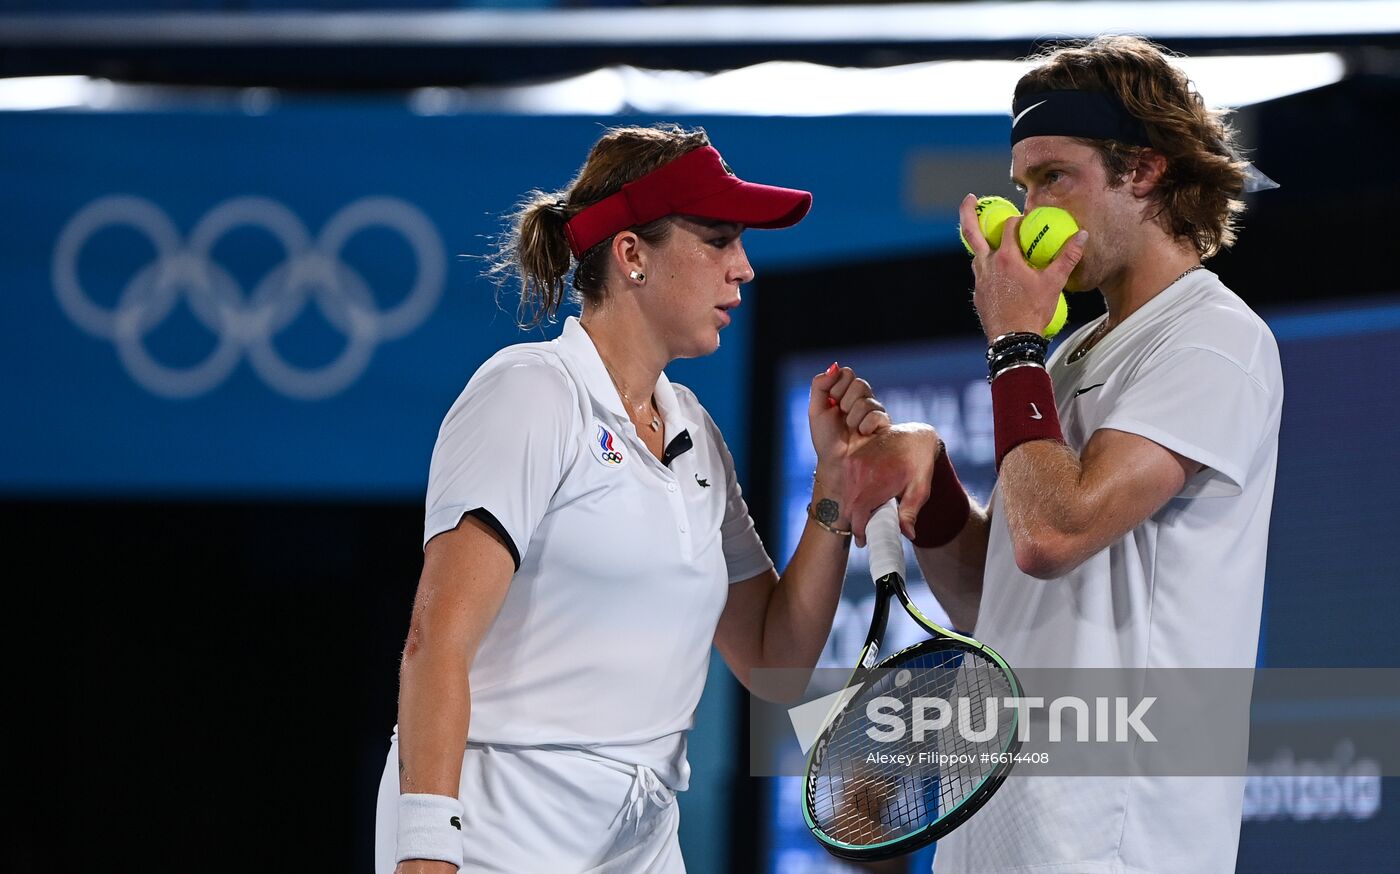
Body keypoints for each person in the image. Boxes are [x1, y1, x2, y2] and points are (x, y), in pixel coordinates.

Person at [374, 124, 889, 874]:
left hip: (639, 839)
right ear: (631, 254)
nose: (743, 268)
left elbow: (777, 661)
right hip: (498, 828)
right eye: (717, 240)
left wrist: (835, 487)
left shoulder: (697, 434)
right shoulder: (530, 394)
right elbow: (435, 643)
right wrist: (425, 856)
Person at [840, 36, 1283, 873]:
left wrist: (1012, 342)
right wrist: (930, 490)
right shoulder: (1073, 354)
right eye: (1023, 184)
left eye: (1054, 178)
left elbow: (1054, 533)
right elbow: (995, 601)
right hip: (1003, 819)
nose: (1026, 210)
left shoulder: (1215, 341)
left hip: (1113, 835)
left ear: (1143, 172)